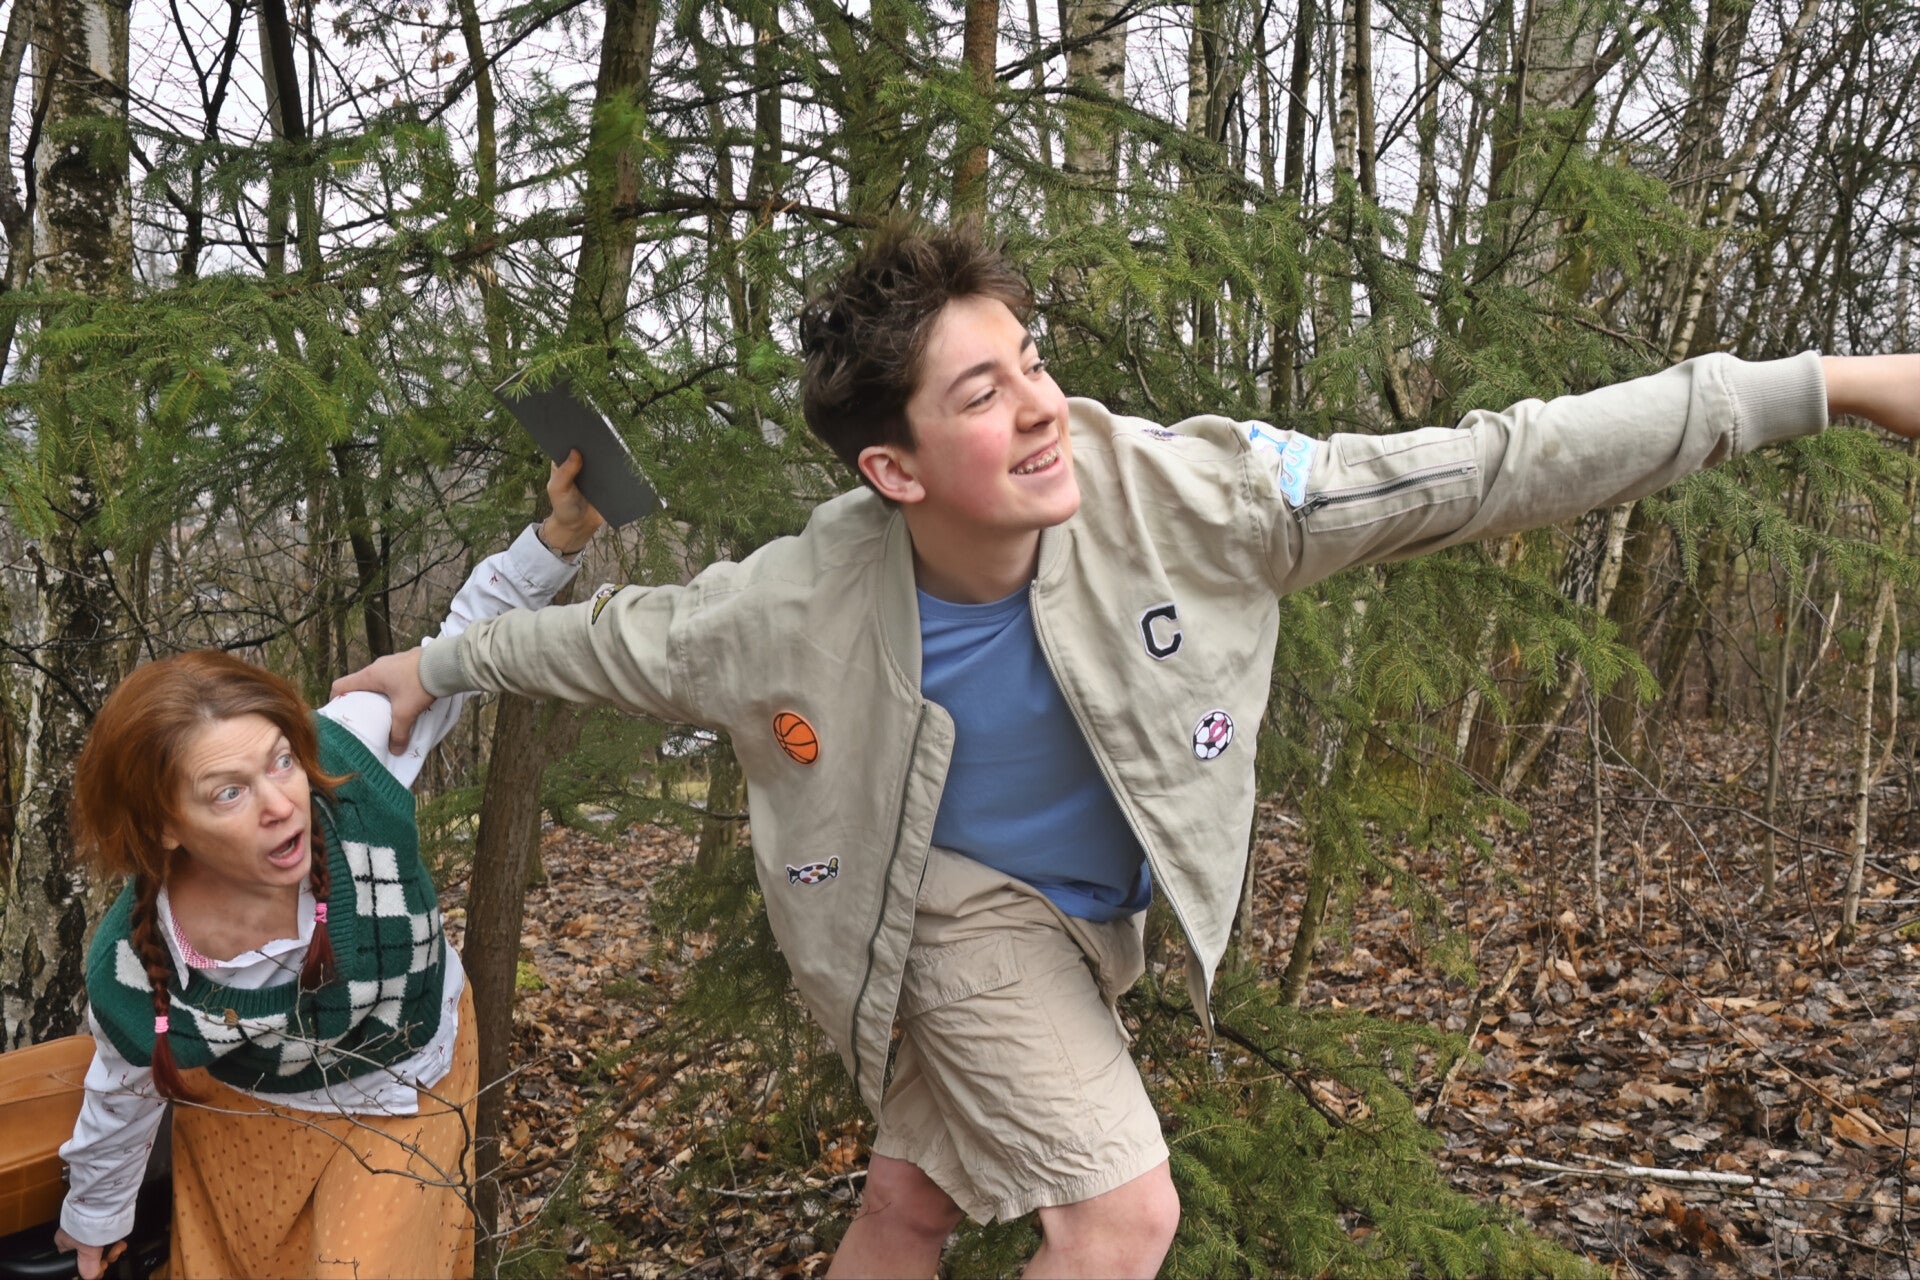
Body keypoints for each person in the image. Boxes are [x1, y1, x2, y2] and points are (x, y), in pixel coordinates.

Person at [333, 222, 1920, 1277]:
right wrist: (432, 662)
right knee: (1120, 1219)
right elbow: (612, 641)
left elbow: (1498, 463)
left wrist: (1825, 386)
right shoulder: (794, 603)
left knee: (909, 1203)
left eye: (1031, 359)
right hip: (940, 905)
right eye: (983, 393)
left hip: (1089, 923)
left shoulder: (1187, 497)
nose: (1041, 407)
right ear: (894, 468)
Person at [52, 456, 604, 1280]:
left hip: (401, 1077)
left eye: (279, 761)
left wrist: (558, 537)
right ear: (165, 828)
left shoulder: (346, 768)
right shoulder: (140, 963)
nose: (282, 803)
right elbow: (124, 1085)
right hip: (254, 1105)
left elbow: (456, 646)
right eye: (229, 792)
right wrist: (95, 1217)